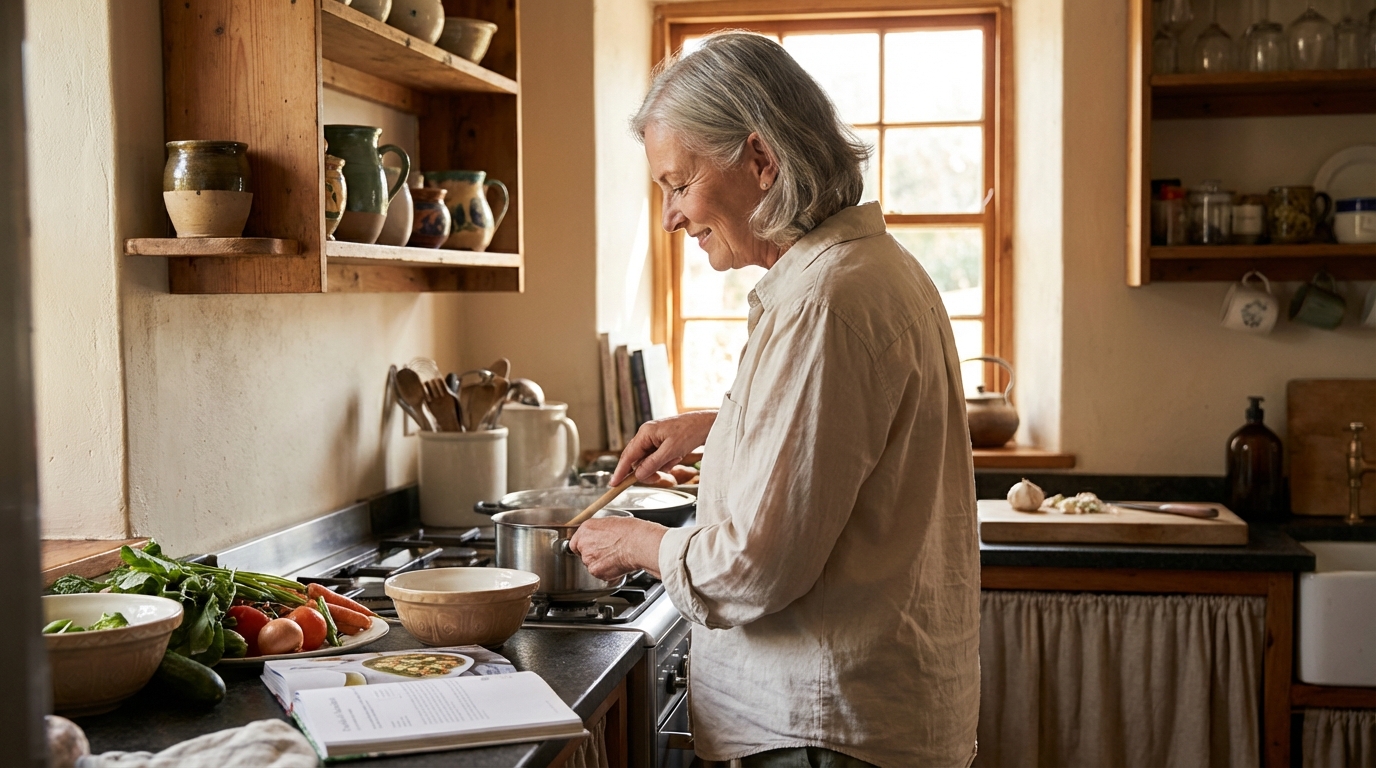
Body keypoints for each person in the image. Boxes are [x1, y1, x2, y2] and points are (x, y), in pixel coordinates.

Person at [569, 31, 980, 768]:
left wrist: (636, 542)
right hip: (860, 721)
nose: (670, 217)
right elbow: (842, 438)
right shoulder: (872, 270)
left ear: (761, 159)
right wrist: (719, 427)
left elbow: (754, 565)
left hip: (819, 732)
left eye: (677, 183)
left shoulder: (824, 304)